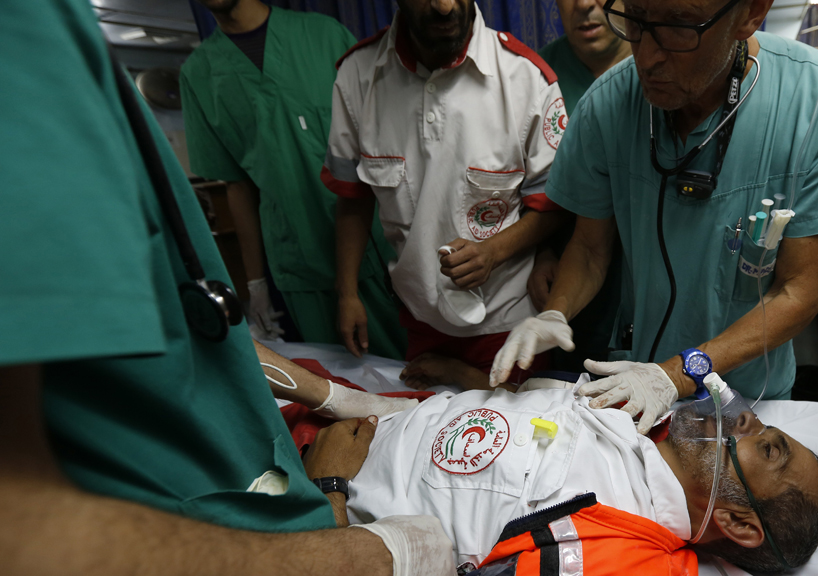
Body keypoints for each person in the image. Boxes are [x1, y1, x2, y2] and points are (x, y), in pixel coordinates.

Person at [0, 3, 452, 575]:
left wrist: (331, 395)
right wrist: (358, 548)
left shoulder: (324, 40)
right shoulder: (39, 42)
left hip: (289, 479)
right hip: (247, 513)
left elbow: (182, 322)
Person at [490, 0, 818, 425]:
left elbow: (797, 292)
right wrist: (555, 311)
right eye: (636, 19)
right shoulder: (608, 104)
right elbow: (590, 249)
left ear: (750, 14)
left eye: (679, 26)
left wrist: (676, 375)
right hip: (633, 382)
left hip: (749, 398)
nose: (647, 56)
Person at [336, 379, 818, 574]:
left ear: (739, 523)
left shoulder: (628, 557)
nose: (744, 417)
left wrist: (325, 492)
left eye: (768, 448)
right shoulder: (639, 418)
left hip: (310, 501)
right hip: (376, 410)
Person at [322, 0, 568, 390]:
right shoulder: (357, 76)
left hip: (511, 321)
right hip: (421, 318)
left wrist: (494, 251)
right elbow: (353, 196)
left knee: (518, 437)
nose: (444, 6)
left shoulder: (526, 78)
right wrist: (347, 292)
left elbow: (554, 206)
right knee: (430, 441)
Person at [181, 0, 406, 357]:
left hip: (379, 249)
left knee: (423, 379)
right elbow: (237, 187)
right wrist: (255, 284)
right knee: (344, 391)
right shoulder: (198, 74)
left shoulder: (325, 37)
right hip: (300, 263)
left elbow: (394, 135)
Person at [530, 0, 634, 373]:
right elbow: (528, 186)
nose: (585, 4)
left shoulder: (659, 69)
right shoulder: (536, 78)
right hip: (574, 279)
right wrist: (541, 252)